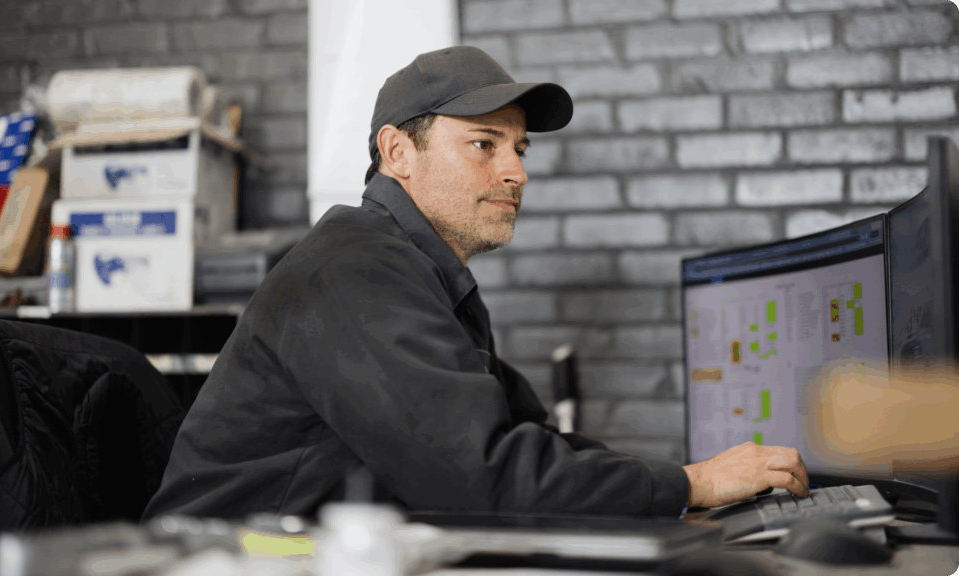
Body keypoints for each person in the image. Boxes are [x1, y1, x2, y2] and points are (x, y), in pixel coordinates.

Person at [143, 46, 808, 521]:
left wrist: (681, 491)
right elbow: (476, 472)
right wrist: (688, 485)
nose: (516, 172)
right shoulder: (352, 272)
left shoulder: (423, 274)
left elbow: (523, 439)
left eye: (520, 149)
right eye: (484, 145)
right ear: (397, 153)